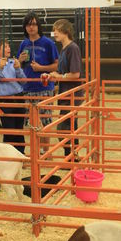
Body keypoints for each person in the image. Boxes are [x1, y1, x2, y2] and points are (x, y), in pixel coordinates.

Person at [16, 12, 59, 154]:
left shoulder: (48, 43)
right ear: (25, 27)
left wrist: (42, 69)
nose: (31, 27)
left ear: (38, 26)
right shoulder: (24, 43)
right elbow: (18, 66)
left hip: (44, 87)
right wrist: (20, 61)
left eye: (34, 24)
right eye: (28, 24)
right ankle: (36, 152)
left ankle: (46, 152)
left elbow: (57, 65)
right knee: (32, 123)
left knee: (46, 120)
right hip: (28, 87)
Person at [49, 18, 83, 159]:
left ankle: (71, 156)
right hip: (66, 94)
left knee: (65, 128)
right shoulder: (64, 49)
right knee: (67, 127)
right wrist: (54, 76)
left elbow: (75, 74)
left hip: (71, 94)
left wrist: (59, 77)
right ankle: (71, 156)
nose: (54, 33)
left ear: (65, 31)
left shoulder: (72, 48)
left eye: (57, 30)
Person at [0, 39, 26, 153]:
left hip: (19, 98)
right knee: (9, 130)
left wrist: (18, 68)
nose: (9, 49)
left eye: (9, 46)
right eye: (5, 47)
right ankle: (10, 157)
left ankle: (20, 155)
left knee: (19, 129)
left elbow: (24, 81)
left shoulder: (13, 62)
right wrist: (0, 69)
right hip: (5, 100)